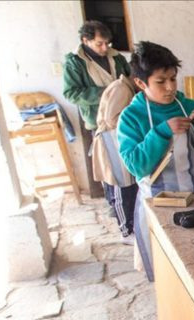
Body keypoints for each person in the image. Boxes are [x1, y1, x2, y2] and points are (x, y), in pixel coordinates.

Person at [118, 42, 194, 281]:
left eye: (173, 79)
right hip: (159, 206)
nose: (169, 87)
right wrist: (161, 132)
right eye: (160, 81)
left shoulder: (191, 107)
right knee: (169, 274)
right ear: (140, 83)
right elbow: (136, 166)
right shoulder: (131, 117)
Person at [63, 20, 130, 210]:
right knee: (108, 165)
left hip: (124, 118)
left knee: (125, 164)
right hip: (98, 121)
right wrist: (107, 93)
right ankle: (113, 203)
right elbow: (71, 93)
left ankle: (126, 202)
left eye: (107, 43)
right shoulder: (75, 63)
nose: (104, 48)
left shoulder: (116, 57)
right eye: (99, 43)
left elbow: (129, 79)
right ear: (86, 40)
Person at [93, 73, 139, 244]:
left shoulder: (125, 88)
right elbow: (112, 120)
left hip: (119, 141)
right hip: (112, 141)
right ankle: (126, 232)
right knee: (121, 187)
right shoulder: (121, 88)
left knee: (128, 187)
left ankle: (130, 227)